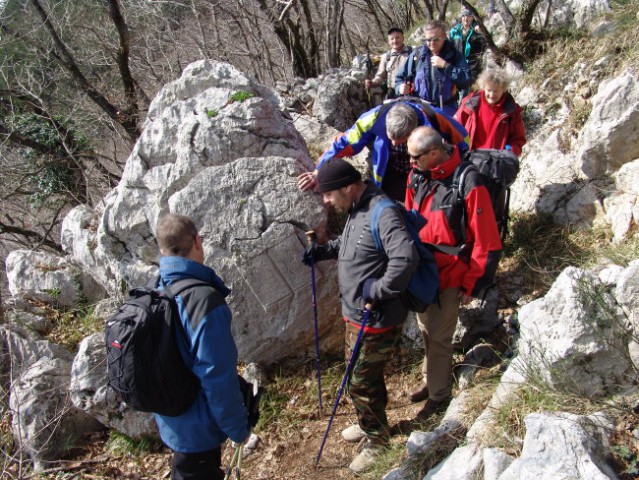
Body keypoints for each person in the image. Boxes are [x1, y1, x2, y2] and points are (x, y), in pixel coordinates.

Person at [301, 158, 418, 473]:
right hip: (356, 316)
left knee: (359, 383)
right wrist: (324, 251)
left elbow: (405, 257)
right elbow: (355, 246)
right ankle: (371, 423)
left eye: (328, 194)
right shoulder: (357, 207)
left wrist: (377, 290)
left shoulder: (383, 211)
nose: (325, 200)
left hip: (376, 318)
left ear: (347, 187)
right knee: (363, 376)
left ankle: (377, 442)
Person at [404, 127, 502, 419]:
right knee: (425, 330)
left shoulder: (468, 181)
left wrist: (472, 284)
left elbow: (486, 239)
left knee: (440, 337)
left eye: (414, 157)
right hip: (423, 270)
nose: (410, 163)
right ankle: (430, 379)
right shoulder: (418, 176)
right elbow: (409, 217)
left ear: (433, 154)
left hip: (451, 274)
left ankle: (439, 396)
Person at [154, 213, 250, 480]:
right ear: (198, 241)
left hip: (171, 417)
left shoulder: (160, 288)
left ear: (162, 249)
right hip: (199, 425)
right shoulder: (203, 300)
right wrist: (237, 427)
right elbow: (216, 374)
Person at [297, 99, 468, 202]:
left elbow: (464, 142)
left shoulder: (434, 118)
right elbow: (345, 143)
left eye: (399, 140)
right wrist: (319, 171)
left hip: (425, 177)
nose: (393, 143)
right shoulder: (374, 118)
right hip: (389, 175)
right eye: (389, 138)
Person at [395, 20, 472, 117]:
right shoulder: (417, 56)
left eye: (436, 39)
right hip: (422, 112)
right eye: (428, 39)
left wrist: (446, 66)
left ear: (444, 37)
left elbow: (467, 79)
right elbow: (400, 78)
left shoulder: (454, 55)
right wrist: (400, 88)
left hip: (447, 112)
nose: (432, 43)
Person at [454, 67, 527, 156]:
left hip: (496, 163)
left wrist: (509, 152)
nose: (492, 95)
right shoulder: (470, 104)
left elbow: (518, 139)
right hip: (470, 159)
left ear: (503, 90)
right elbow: (454, 127)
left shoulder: (511, 112)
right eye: (489, 90)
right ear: (483, 88)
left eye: (496, 91)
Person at [365, 27, 412, 101]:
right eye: (392, 39)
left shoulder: (412, 53)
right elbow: (380, 76)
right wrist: (372, 83)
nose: (395, 41)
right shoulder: (386, 57)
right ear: (388, 41)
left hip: (411, 92)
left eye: (397, 37)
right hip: (392, 94)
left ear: (403, 38)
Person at [449, 9, 486, 96]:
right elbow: (449, 47)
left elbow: (486, 45)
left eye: (468, 16)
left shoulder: (477, 30)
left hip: (473, 66)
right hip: (458, 65)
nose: (466, 18)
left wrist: (481, 32)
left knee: (468, 90)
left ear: (473, 18)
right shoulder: (454, 31)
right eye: (464, 16)